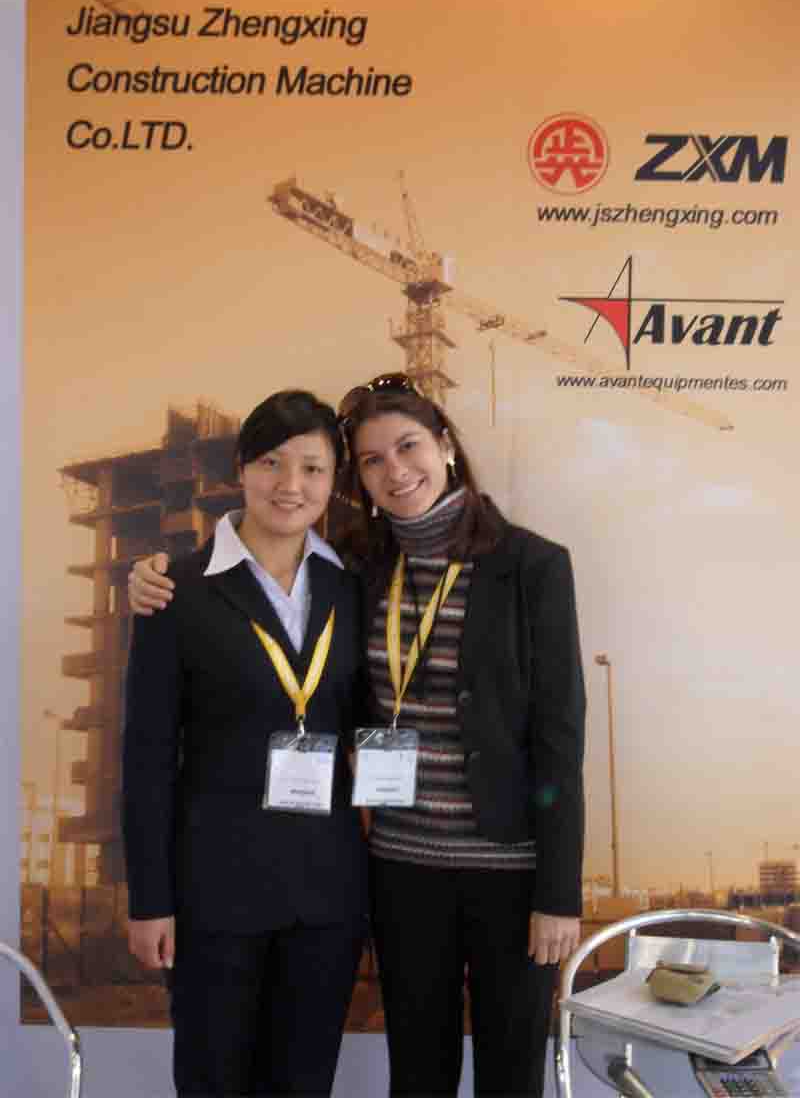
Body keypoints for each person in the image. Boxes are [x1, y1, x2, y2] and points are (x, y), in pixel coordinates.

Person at [131, 374, 586, 1098]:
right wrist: (150, 571)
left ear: (444, 445)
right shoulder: (366, 565)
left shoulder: (526, 566)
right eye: (372, 460)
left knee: (510, 1073)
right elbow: (158, 743)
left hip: (505, 868)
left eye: (408, 447)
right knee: (416, 1075)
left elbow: (560, 735)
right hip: (399, 869)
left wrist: (559, 890)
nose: (395, 471)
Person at [123, 390, 368, 1098]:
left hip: (326, 896)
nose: (291, 485)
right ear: (241, 468)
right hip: (214, 895)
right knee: (212, 1081)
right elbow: (147, 755)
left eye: (313, 468)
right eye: (271, 463)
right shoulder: (175, 590)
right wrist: (149, 899)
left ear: (333, 481)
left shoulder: (353, 589)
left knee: (304, 1085)